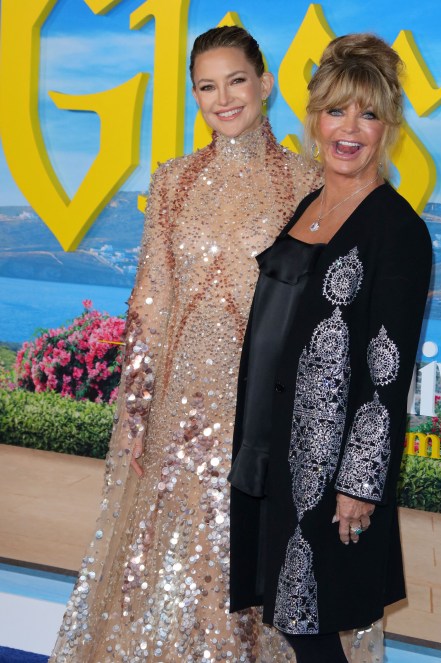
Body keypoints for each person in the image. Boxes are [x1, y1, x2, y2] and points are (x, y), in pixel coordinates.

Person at [50, 26, 320, 663]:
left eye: (236, 80)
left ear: (265, 84)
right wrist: (137, 414)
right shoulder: (172, 182)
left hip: (262, 413)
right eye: (207, 86)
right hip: (180, 412)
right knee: (173, 577)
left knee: (245, 572)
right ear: (194, 96)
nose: (224, 98)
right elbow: (151, 304)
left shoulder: (307, 183)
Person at [229, 33, 432, 663]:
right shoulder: (311, 204)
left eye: (368, 114)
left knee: (311, 624)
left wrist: (360, 482)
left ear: (389, 126)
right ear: (314, 118)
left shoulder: (397, 229)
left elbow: (387, 370)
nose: (350, 129)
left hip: (327, 463)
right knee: (289, 617)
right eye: (337, 110)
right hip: (269, 444)